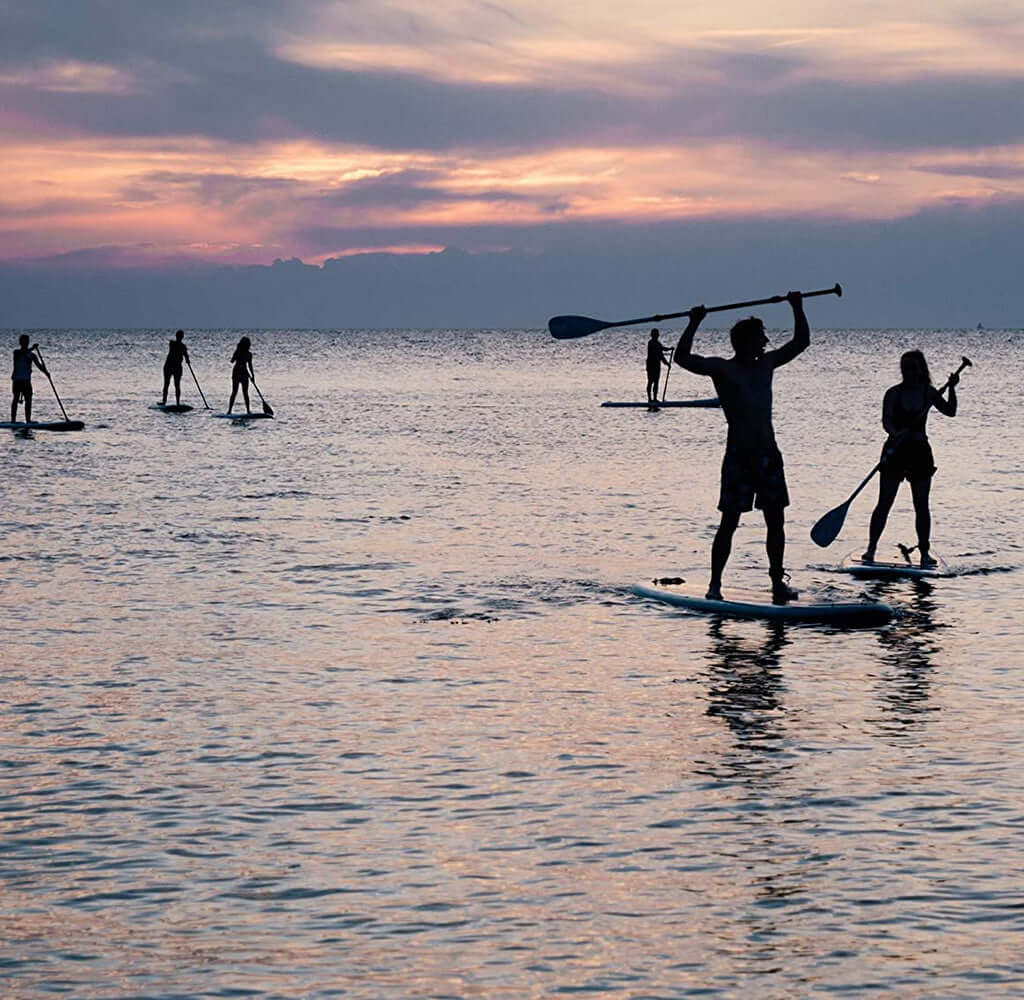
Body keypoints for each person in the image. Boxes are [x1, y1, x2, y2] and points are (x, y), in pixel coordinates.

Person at [674, 292, 809, 603]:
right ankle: (714, 585)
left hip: (768, 454)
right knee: (729, 521)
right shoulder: (724, 369)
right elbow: (683, 359)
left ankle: (777, 584)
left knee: (775, 521)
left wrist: (797, 307)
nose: (765, 342)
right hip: (739, 456)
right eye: (761, 337)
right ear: (749, 341)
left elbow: (801, 342)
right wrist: (694, 323)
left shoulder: (768, 364)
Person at [861, 350, 958, 568]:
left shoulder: (929, 393)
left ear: (921, 370)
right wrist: (897, 433)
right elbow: (886, 421)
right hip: (895, 451)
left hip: (920, 453)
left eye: (913, 368)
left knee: (921, 505)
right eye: (905, 368)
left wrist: (952, 388)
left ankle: (924, 553)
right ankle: (871, 549)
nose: (909, 372)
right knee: (884, 503)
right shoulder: (893, 394)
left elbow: (951, 411)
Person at [11, 334, 47, 423]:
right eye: (23, 341)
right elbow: (23, 353)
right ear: (20, 342)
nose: (25, 343)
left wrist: (46, 372)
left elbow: (39, 366)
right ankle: (13, 420)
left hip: (26, 380)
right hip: (17, 380)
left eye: (27, 341)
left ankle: (28, 420)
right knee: (15, 399)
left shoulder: (32, 355)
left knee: (28, 400)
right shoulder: (16, 352)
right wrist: (32, 348)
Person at [161, 329, 191, 406]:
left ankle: (178, 403)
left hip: (177, 368)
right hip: (169, 366)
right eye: (179, 336)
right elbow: (172, 344)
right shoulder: (172, 344)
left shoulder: (182, 346)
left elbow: (186, 357)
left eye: (181, 336)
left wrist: (187, 360)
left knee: (177, 385)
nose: (180, 337)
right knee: (166, 384)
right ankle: (164, 401)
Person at [228, 336, 254, 414]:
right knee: (234, 392)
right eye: (248, 344)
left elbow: (250, 365)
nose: (249, 346)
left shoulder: (249, 354)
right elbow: (232, 361)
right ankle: (229, 411)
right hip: (236, 372)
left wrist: (253, 376)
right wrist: (237, 355)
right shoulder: (238, 352)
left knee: (245, 393)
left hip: (245, 374)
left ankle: (248, 411)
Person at [646, 328, 670, 404]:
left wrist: (669, 349)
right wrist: (667, 363)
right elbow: (660, 355)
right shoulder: (651, 343)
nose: (656, 336)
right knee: (650, 382)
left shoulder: (658, 343)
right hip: (651, 366)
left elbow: (662, 349)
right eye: (655, 335)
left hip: (656, 365)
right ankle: (650, 399)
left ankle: (655, 398)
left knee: (656, 382)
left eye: (656, 335)